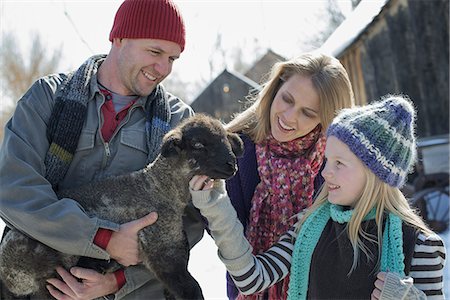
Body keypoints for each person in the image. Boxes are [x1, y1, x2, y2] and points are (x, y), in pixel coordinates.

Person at [0, 0, 204, 299]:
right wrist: (100, 238)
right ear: (119, 38)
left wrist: (119, 280)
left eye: (173, 58)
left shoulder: (179, 122)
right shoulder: (47, 98)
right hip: (38, 285)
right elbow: (14, 188)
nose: (163, 69)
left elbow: (189, 222)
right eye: (155, 52)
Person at [190, 95, 447, 299]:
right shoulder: (310, 224)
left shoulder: (419, 245)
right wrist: (216, 205)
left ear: (375, 173)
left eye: (339, 163)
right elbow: (250, 279)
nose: (326, 172)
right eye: (327, 160)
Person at [222, 52, 354, 299]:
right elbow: (227, 234)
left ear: (326, 118)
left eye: (308, 112)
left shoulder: (336, 161)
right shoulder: (237, 151)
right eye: (287, 99)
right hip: (249, 288)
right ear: (277, 85)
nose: (290, 117)